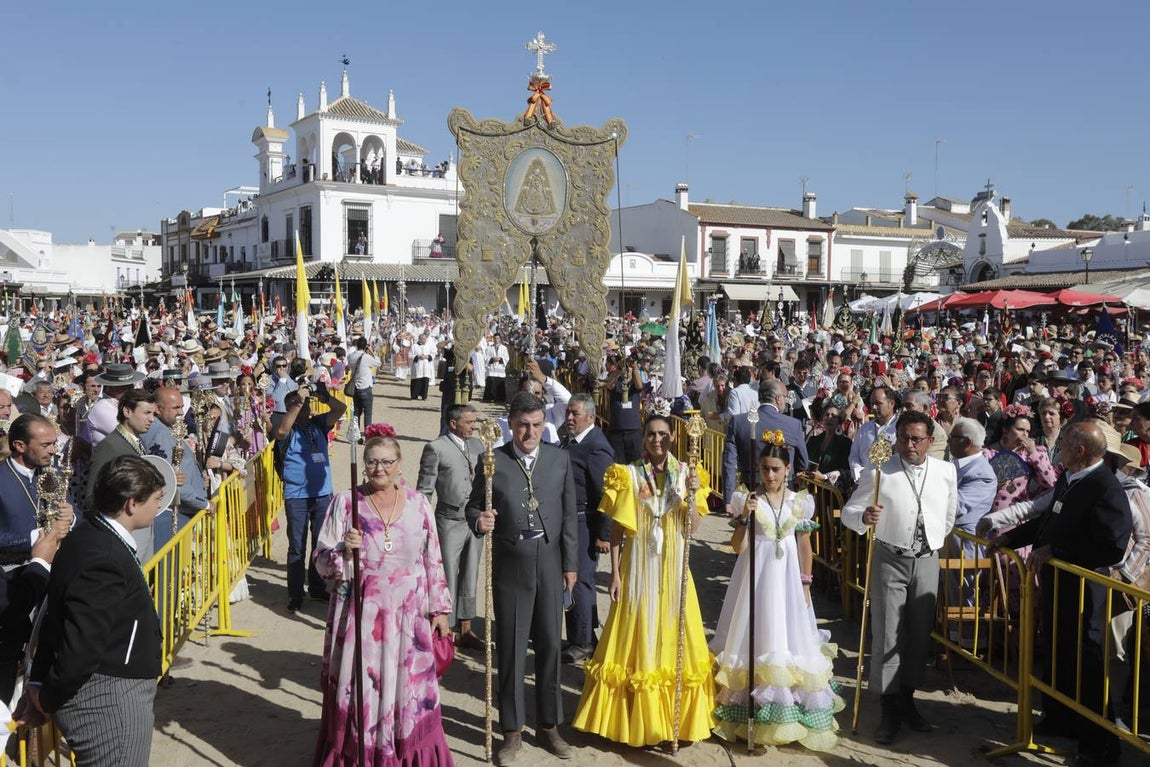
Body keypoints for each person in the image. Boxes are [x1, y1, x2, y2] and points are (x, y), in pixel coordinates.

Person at [312, 428, 454, 766]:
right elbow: (319, 562)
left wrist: (440, 610)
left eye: (387, 462)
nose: (379, 469)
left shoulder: (419, 504)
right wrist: (342, 551)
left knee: (409, 694)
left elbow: (432, 558)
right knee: (364, 692)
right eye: (373, 462)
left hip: (410, 617)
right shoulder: (346, 503)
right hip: (362, 618)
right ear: (364, 464)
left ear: (399, 463)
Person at [993, 422, 1132, 767]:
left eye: (1067, 443)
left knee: (1086, 660)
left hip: (1085, 589)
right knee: (1058, 652)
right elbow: (1047, 525)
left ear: (1081, 450)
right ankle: (1060, 718)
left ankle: (1098, 743)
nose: (1060, 448)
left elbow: (1112, 545)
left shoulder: (1104, 487)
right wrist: (1010, 538)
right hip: (1058, 585)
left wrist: (1059, 550)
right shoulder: (1070, 480)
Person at [572, 413, 714, 747]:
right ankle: (637, 717)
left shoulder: (687, 475)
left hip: (675, 565)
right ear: (643, 438)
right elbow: (618, 529)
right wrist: (616, 573)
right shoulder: (630, 474)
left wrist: (693, 494)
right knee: (639, 635)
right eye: (651, 434)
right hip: (639, 567)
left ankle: (673, 722)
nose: (657, 441)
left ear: (672, 438)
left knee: (674, 636)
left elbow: (693, 526)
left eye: (663, 435)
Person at [25, 455, 169, 767]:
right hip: (109, 699)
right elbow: (81, 644)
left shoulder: (92, 536)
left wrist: (41, 686)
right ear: (132, 504)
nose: (159, 506)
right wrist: (47, 696)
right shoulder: (101, 555)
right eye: (156, 499)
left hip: (111, 689)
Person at [466, 392, 577, 765]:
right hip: (511, 563)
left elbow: (571, 517)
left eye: (535, 424)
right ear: (510, 425)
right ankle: (511, 731)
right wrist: (478, 520)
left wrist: (570, 564)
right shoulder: (492, 460)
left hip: (549, 561)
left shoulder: (559, 459)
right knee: (511, 648)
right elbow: (472, 505)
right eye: (522, 425)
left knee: (549, 645)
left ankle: (549, 726)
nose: (529, 432)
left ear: (543, 423)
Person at [710, 434, 841, 750]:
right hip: (755, 579)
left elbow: (805, 546)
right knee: (756, 637)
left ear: (788, 469)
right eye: (765, 469)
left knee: (788, 638)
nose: (770, 475)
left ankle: (789, 712)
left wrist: (806, 582)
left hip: (788, 583)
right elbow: (738, 547)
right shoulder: (748, 499)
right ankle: (748, 710)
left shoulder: (800, 502)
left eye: (776, 469)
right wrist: (744, 517)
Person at [841, 410, 957, 744]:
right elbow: (850, 511)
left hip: (927, 558)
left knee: (920, 633)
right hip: (889, 558)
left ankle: (908, 700)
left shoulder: (945, 471)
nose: (909, 445)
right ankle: (888, 707)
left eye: (916, 439)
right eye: (904, 438)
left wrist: (931, 541)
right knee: (887, 632)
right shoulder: (881, 471)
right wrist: (864, 515)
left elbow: (948, 514)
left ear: (929, 441)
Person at [416, 404, 484, 650]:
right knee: (445, 575)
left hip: (475, 520)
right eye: (469, 422)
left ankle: (466, 627)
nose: (473, 427)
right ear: (453, 423)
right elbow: (424, 490)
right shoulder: (436, 448)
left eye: (474, 422)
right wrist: (422, 524)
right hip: (448, 520)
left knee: (470, 574)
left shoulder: (479, 446)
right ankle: (446, 628)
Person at [275, 383, 347, 612]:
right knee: (297, 546)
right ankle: (296, 593)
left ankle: (316, 587)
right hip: (296, 495)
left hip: (322, 493)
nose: (306, 409)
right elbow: (281, 431)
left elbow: (340, 409)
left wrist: (325, 396)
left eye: (307, 406)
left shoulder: (317, 424)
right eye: (301, 406)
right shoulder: (287, 429)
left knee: (320, 544)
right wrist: (298, 401)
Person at [560, 393, 614, 664]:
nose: (569, 418)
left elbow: (604, 492)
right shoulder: (575, 440)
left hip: (584, 523)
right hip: (571, 520)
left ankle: (582, 641)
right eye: (568, 413)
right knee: (573, 580)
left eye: (575, 414)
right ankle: (582, 635)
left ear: (590, 417)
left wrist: (604, 534)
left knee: (579, 581)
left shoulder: (596, 447)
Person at [85, 389, 157, 561]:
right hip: (122, 534)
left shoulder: (138, 442)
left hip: (140, 531)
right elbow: (92, 496)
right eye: (147, 412)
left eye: (153, 413)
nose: (152, 419)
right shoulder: (109, 447)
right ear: (127, 411)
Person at [722, 378, 808, 503]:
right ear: (778, 399)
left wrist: (729, 499)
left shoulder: (738, 422)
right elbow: (803, 463)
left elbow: (728, 463)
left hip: (749, 490)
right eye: (785, 397)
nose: (786, 401)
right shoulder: (793, 424)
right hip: (782, 490)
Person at [346, 338, 380, 436]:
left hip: (355, 388)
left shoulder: (351, 356)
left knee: (356, 413)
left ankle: (355, 434)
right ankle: (368, 436)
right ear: (366, 346)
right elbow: (378, 363)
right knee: (368, 413)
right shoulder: (366, 357)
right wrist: (372, 352)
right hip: (365, 387)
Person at [410, 332, 436, 401]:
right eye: (423, 339)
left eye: (425, 339)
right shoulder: (414, 346)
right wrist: (418, 356)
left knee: (425, 381)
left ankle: (424, 396)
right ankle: (414, 396)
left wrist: (427, 356)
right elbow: (410, 355)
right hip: (418, 366)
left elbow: (433, 353)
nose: (425, 340)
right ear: (420, 339)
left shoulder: (428, 345)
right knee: (416, 381)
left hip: (426, 366)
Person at [484, 333, 509, 404]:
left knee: (499, 383)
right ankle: (490, 397)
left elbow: (507, 358)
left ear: (500, 339)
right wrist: (492, 359)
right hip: (492, 368)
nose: (496, 340)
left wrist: (500, 359)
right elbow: (485, 357)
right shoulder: (489, 348)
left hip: (500, 368)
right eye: (495, 338)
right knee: (491, 382)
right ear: (493, 339)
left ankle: (500, 398)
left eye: (498, 338)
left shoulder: (504, 348)